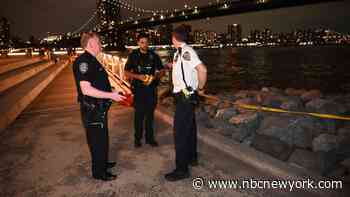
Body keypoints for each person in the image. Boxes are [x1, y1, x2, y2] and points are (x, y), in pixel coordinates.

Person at [72, 32, 125, 181]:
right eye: (98, 42)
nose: (101, 44)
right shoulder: (83, 62)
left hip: (99, 108)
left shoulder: (92, 60)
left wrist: (112, 90)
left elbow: (97, 82)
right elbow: (86, 89)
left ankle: (103, 163)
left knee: (102, 138)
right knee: (97, 141)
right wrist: (111, 96)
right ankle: (99, 172)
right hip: (92, 110)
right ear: (90, 44)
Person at [164, 26, 207, 182]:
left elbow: (202, 70)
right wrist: (170, 65)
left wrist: (200, 88)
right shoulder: (179, 53)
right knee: (190, 128)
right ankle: (192, 158)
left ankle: (182, 170)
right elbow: (183, 67)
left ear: (174, 38)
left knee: (180, 134)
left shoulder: (187, 51)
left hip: (184, 98)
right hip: (185, 97)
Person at [124, 33, 166, 148]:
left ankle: (150, 138)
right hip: (138, 90)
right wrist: (138, 77)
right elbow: (126, 72)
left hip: (151, 90)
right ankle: (137, 139)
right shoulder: (133, 55)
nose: (145, 44)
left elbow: (162, 71)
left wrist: (157, 76)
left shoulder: (154, 55)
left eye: (146, 42)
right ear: (138, 43)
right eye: (142, 42)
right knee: (138, 116)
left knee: (150, 116)